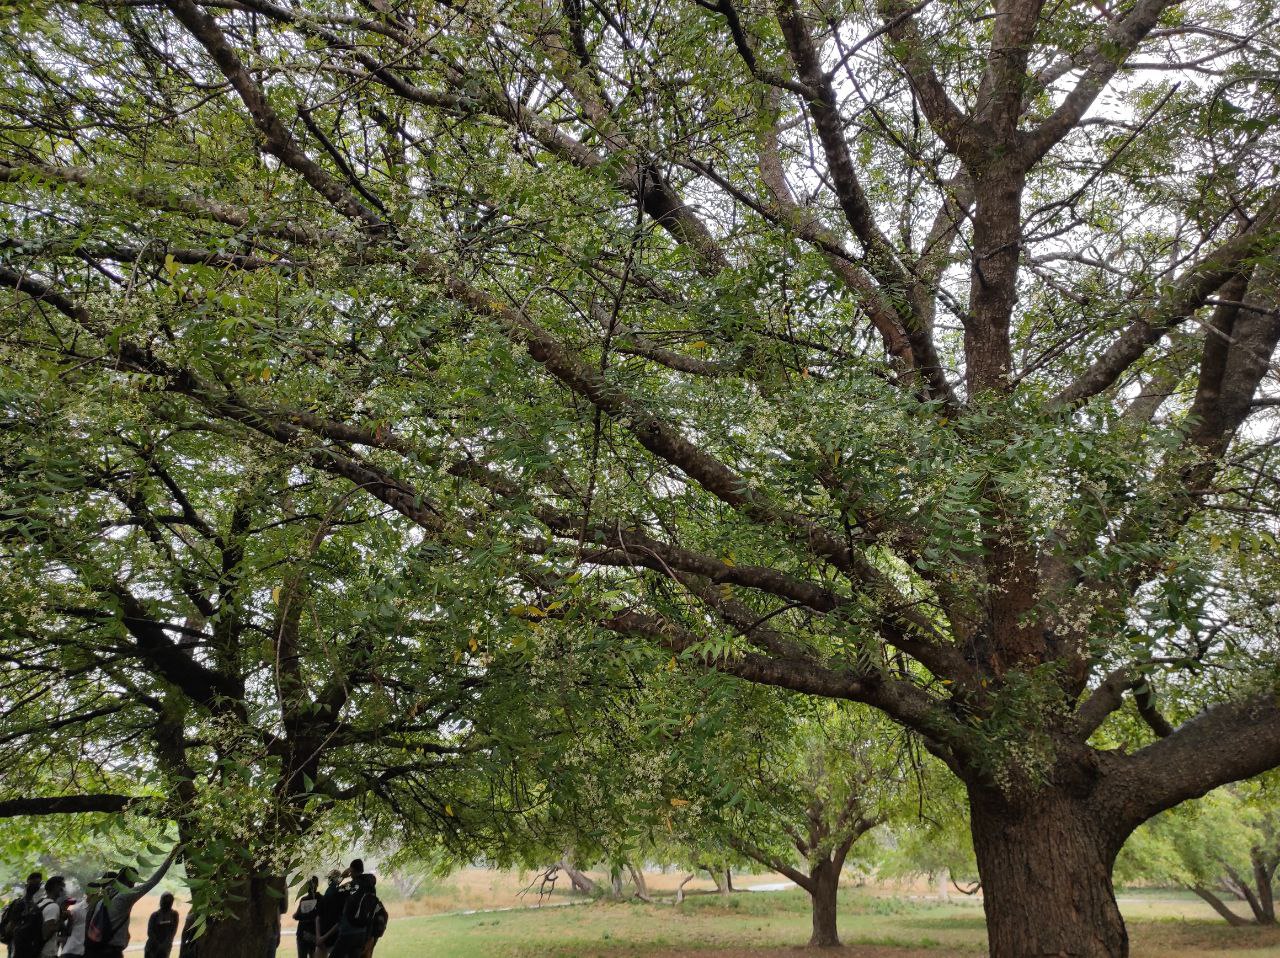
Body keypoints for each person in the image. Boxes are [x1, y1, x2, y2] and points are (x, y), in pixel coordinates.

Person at [85, 847, 178, 958]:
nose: (134, 886)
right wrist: (172, 856)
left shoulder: (104, 897)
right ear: (129, 880)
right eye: (134, 882)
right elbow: (152, 882)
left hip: (94, 950)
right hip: (111, 953)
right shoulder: (124, 897)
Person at [327, 872, 382, 958]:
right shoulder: (373, 896)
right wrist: (370, 937)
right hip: (362, 936)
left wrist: (341, 877)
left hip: (347, 933)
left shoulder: (354, 889)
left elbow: (332, 892)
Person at [1, 874, 42, 958]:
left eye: (38, 884)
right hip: (16, 944)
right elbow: (11, 925)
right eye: (34, 883)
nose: (36, 886)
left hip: (27, 946)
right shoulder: (19, 903)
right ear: (27, 885)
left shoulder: (35, 907)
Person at [142, 893, 179, 958]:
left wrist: (164, 945)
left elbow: (172, 932)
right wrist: (159, 945)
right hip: (152, 948)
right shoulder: (155, 915)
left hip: (164, 948)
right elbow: (150, 932)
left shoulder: (174, 915)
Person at [293, 877, 320, 958]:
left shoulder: (304, 900)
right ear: (317, 885)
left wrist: (296, 916)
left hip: (302, 933)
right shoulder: (321, 899)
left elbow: (297, 916)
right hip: (314, 933)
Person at [59, 893, 90, 958]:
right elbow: (64, 935)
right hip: (71, 951)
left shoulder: (72, 913)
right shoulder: (73, 912)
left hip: (80, 950)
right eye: (67, 904)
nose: (68, 906)